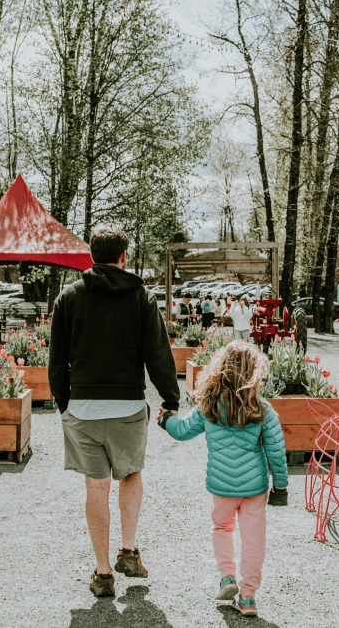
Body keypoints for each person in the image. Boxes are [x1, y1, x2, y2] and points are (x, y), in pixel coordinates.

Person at [48, 227, 180, 598]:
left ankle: (103, 572)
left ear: (92, 256)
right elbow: (157, 353)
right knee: (131, 474)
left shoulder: (68, 297)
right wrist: (170, 398)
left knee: (96, 485)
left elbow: (56, 360)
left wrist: (63, 403)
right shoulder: (140, 296)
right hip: (128, 406)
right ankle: (129, 551)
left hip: (83, 408)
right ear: (124, 256)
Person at [157, 341, 288, 616]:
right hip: (254, 487)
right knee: (254, 540)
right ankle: (248, 597)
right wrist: (281, 486)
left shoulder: (209, 406)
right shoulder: (262, 409)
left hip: (222, 485)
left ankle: (227, 577)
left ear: (220, 369)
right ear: (254, 372)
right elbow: (276, 449)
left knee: (222, 527)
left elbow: (182, 430)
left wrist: (165, 419)